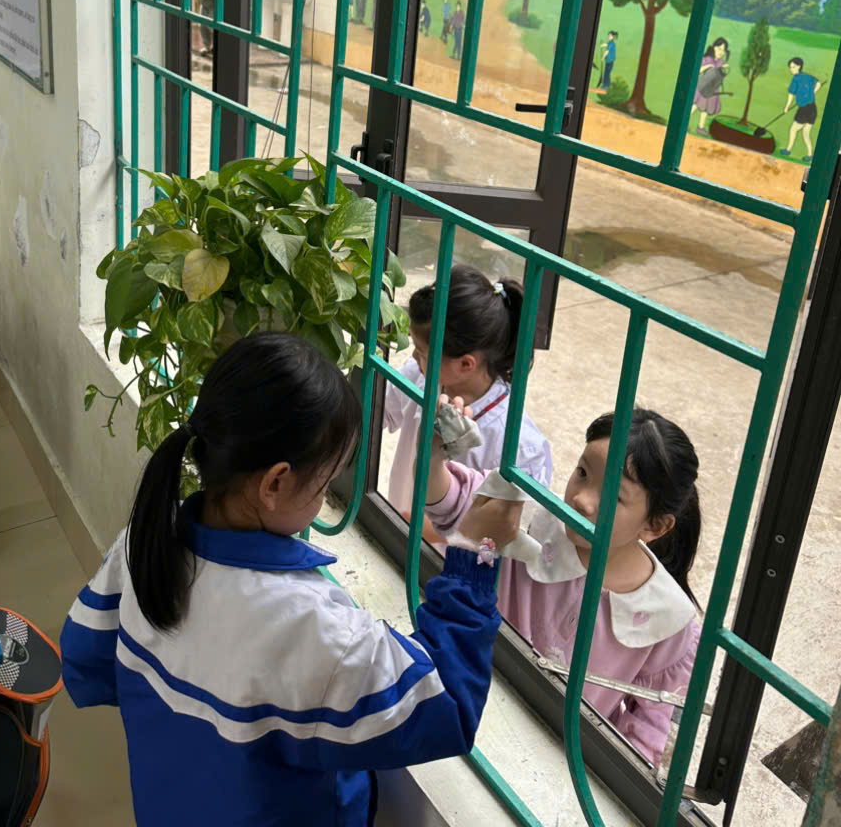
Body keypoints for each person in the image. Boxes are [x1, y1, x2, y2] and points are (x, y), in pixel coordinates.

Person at [60, 334, 521, 827]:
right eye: (325, 482)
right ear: (275, 483)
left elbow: (85, 661)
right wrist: (476, 552)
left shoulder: (144, 542)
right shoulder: (310, 628)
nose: (324, 498)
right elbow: (446, 706)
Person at [425, 402, 702, 767]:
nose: (582, 500)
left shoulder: (669, 620)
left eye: (614, 496)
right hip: (460, 709)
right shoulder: (528, 517)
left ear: (655, 526)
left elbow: (641, 742)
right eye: (583, 472)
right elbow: (445, 498)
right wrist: (434, 448)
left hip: (555, 766)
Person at [384, 266, 552, 545]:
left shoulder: (516, 445)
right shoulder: (420, 376)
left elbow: (510, 533)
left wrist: (430, 532)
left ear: (465, 364)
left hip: (448, 561)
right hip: (397, 535)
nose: (413, 357)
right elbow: (379, 412)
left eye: (422, 352)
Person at [779, 56, 822, 163]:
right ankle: (810, 155)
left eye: (793, 67)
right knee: (805, 133)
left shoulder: (795, 79)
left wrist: (786, 108)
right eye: (790, 67)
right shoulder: (807, 76)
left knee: (793, 129)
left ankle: (788, 150)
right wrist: (813, 92)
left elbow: (791, 95)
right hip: (812, 109)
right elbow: (818, 83)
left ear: (799, 66)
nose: (791, 69)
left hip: (804, 110)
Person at [690, 37, 729, 134]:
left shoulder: (720, 62)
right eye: (719, 49)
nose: (721, 52)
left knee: (706, 109)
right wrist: (709, 66)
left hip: (712, 90)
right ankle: (684, 121)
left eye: (723, 50)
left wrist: (723, 68)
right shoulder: (707, 59)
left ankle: (700, 127)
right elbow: (698, 70)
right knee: (695, 105)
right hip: (703, 87)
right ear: (714, 48)